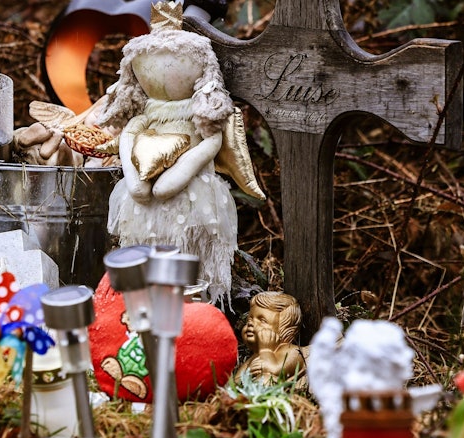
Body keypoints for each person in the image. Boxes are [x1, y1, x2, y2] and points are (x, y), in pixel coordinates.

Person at [95, 0, 261, 303]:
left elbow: (211, 143)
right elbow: (128, 137)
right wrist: (134, 178)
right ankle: (147, 304)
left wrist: (182, 171)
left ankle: (195, 306)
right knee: (146, 251)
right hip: (145, 195)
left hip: (192, 195)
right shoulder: (145, 115)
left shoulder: (200, 114)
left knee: (190, 253)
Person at [241, 291, 306, 379]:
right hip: (253, 387)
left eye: (262, 321)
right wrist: (247, 372)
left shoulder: (294, 352)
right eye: (250, 319)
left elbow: (273, 371)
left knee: (266, 379)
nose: (251, 324)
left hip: (273, 385)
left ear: (284, 330)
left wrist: (266, 350)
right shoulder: (253, 358)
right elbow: (233, 383)